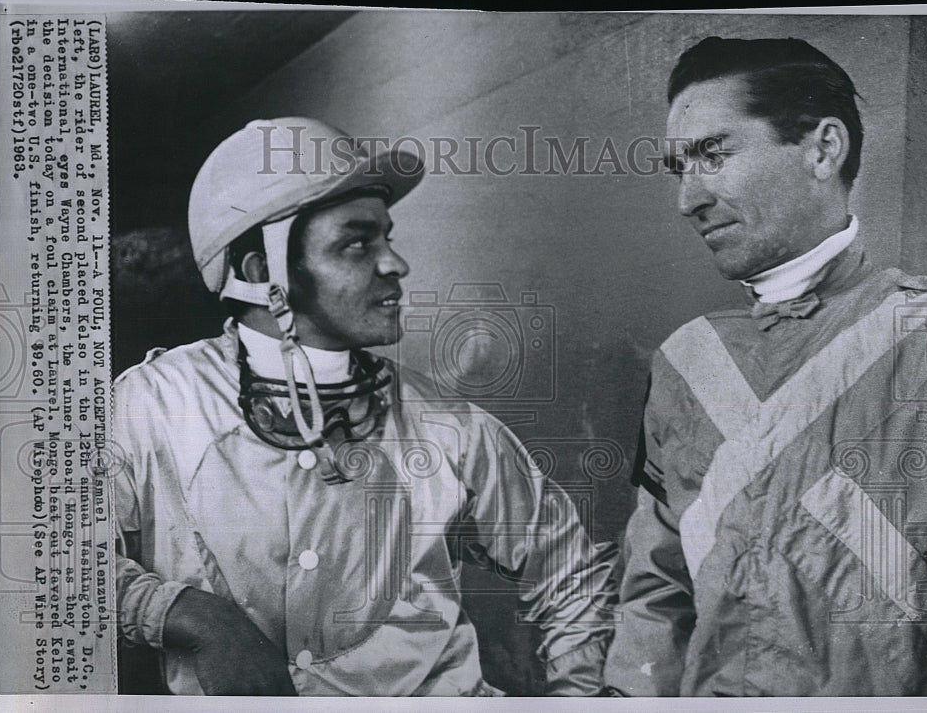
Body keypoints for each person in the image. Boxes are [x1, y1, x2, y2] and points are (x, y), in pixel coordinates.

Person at [113, 117, 617, 696]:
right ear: (262, 273)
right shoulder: (152, 405)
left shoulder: (446, 425)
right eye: (356, 243)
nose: (395, 265)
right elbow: (54, 560)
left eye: (387, 237)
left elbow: (570, 569)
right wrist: (195, 617)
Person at [604, 37, 927, 696]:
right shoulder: (686, 362)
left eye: (714, 155)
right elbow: (653, 603)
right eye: (679, 168)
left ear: (822, 149)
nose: (687, 199)